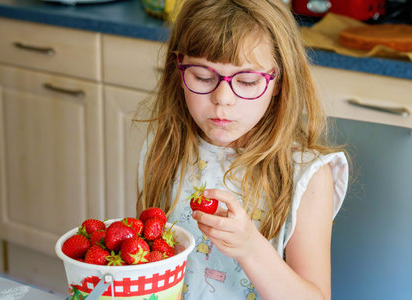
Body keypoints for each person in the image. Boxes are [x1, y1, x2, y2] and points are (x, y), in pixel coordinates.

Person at [135, 0, 349, 299]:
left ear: (279, 80)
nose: (222, 99)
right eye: (203, 77)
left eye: (247, 81)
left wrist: (251, 247)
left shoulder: (307, 175)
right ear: (178, 70)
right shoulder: (165, 147)